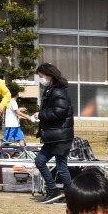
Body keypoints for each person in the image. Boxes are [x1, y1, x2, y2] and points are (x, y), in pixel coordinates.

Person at [17, 63, 74, 204]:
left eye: (41, 76)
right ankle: (53, 191)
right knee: (40, 161)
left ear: (50, 75)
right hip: (52, 135)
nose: (40, 79)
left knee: (61, 167)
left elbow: (60, 111)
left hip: (61, 136)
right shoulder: (51, 89)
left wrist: (41, 114)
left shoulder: (59, 91)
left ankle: (71, 196)